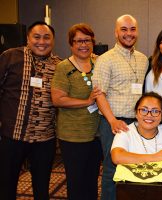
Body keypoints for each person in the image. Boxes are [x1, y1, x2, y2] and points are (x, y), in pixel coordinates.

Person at [0, 21, 61, 200]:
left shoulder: (59, 65)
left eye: (46, 37)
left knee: (42, 187)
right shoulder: (10, 56)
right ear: (28, 38)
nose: (41, 41)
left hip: (45, 138)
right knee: (6, 184)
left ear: (53, 41)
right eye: (36, 37)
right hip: (13, 135)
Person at [92, 15, 148, 200]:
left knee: (136, 168)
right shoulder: (105, 59)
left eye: (132, 29)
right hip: (113, 123)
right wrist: (112, 121)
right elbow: (99, 94)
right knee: (112, 169)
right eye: (124, 29)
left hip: (138, 124)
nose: (128, 33)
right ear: (116, 33)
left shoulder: (143, 59)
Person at [51, 23, 101, 200]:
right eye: (78, 41)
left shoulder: (98, 62)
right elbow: (57, 99)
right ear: (71, 44)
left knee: (92, 179)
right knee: (76, 181)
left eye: (87, 40)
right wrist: (86, 101)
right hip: (72, 137)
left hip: (96, 134)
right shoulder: (63, 67)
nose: (83, 45)